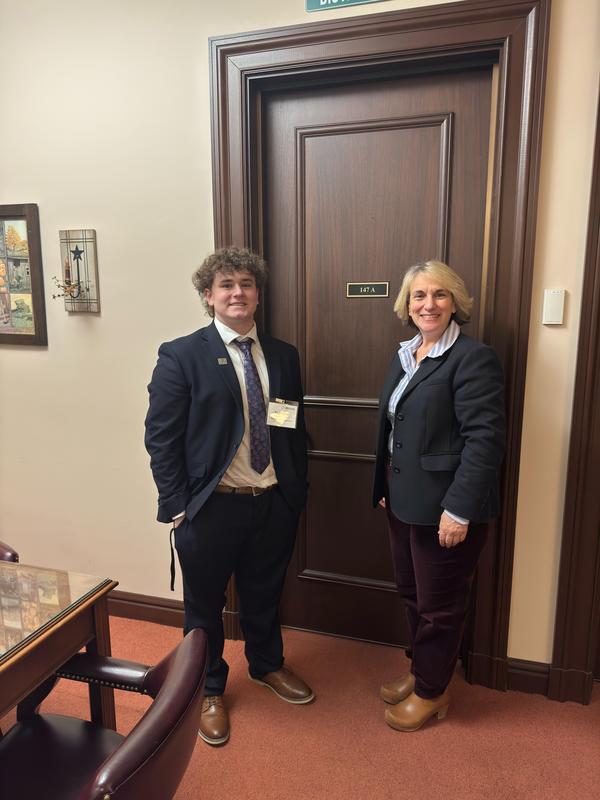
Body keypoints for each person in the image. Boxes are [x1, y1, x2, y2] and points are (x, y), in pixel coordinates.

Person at [145, 246, 313, 747]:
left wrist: (295, 489)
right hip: (211, 506)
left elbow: (289, 421)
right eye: (226, 285)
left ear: (258, 294)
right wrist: (178, 506)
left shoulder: (283, 355)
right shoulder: (181, 355)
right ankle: (207, 688)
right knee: (203, 607)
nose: (237, 293)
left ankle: (266, 665)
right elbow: (161, 438)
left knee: (265, 593)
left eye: (246, 284)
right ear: (208, 296)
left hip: (273, 501)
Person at [372, 259, 505, 732]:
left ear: (455, 303)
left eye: (439, 294)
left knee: (439, 606)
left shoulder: (472, 358)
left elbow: (484, 440)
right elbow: (397, 427)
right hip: (403, 502)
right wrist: (387, 487)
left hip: (447, 509)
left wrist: (459, 510)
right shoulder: (407, 354)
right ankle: (421, 671)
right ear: (407, 305)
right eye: (419, 296)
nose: (428, 304)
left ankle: (433, 692)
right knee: (412, 595)